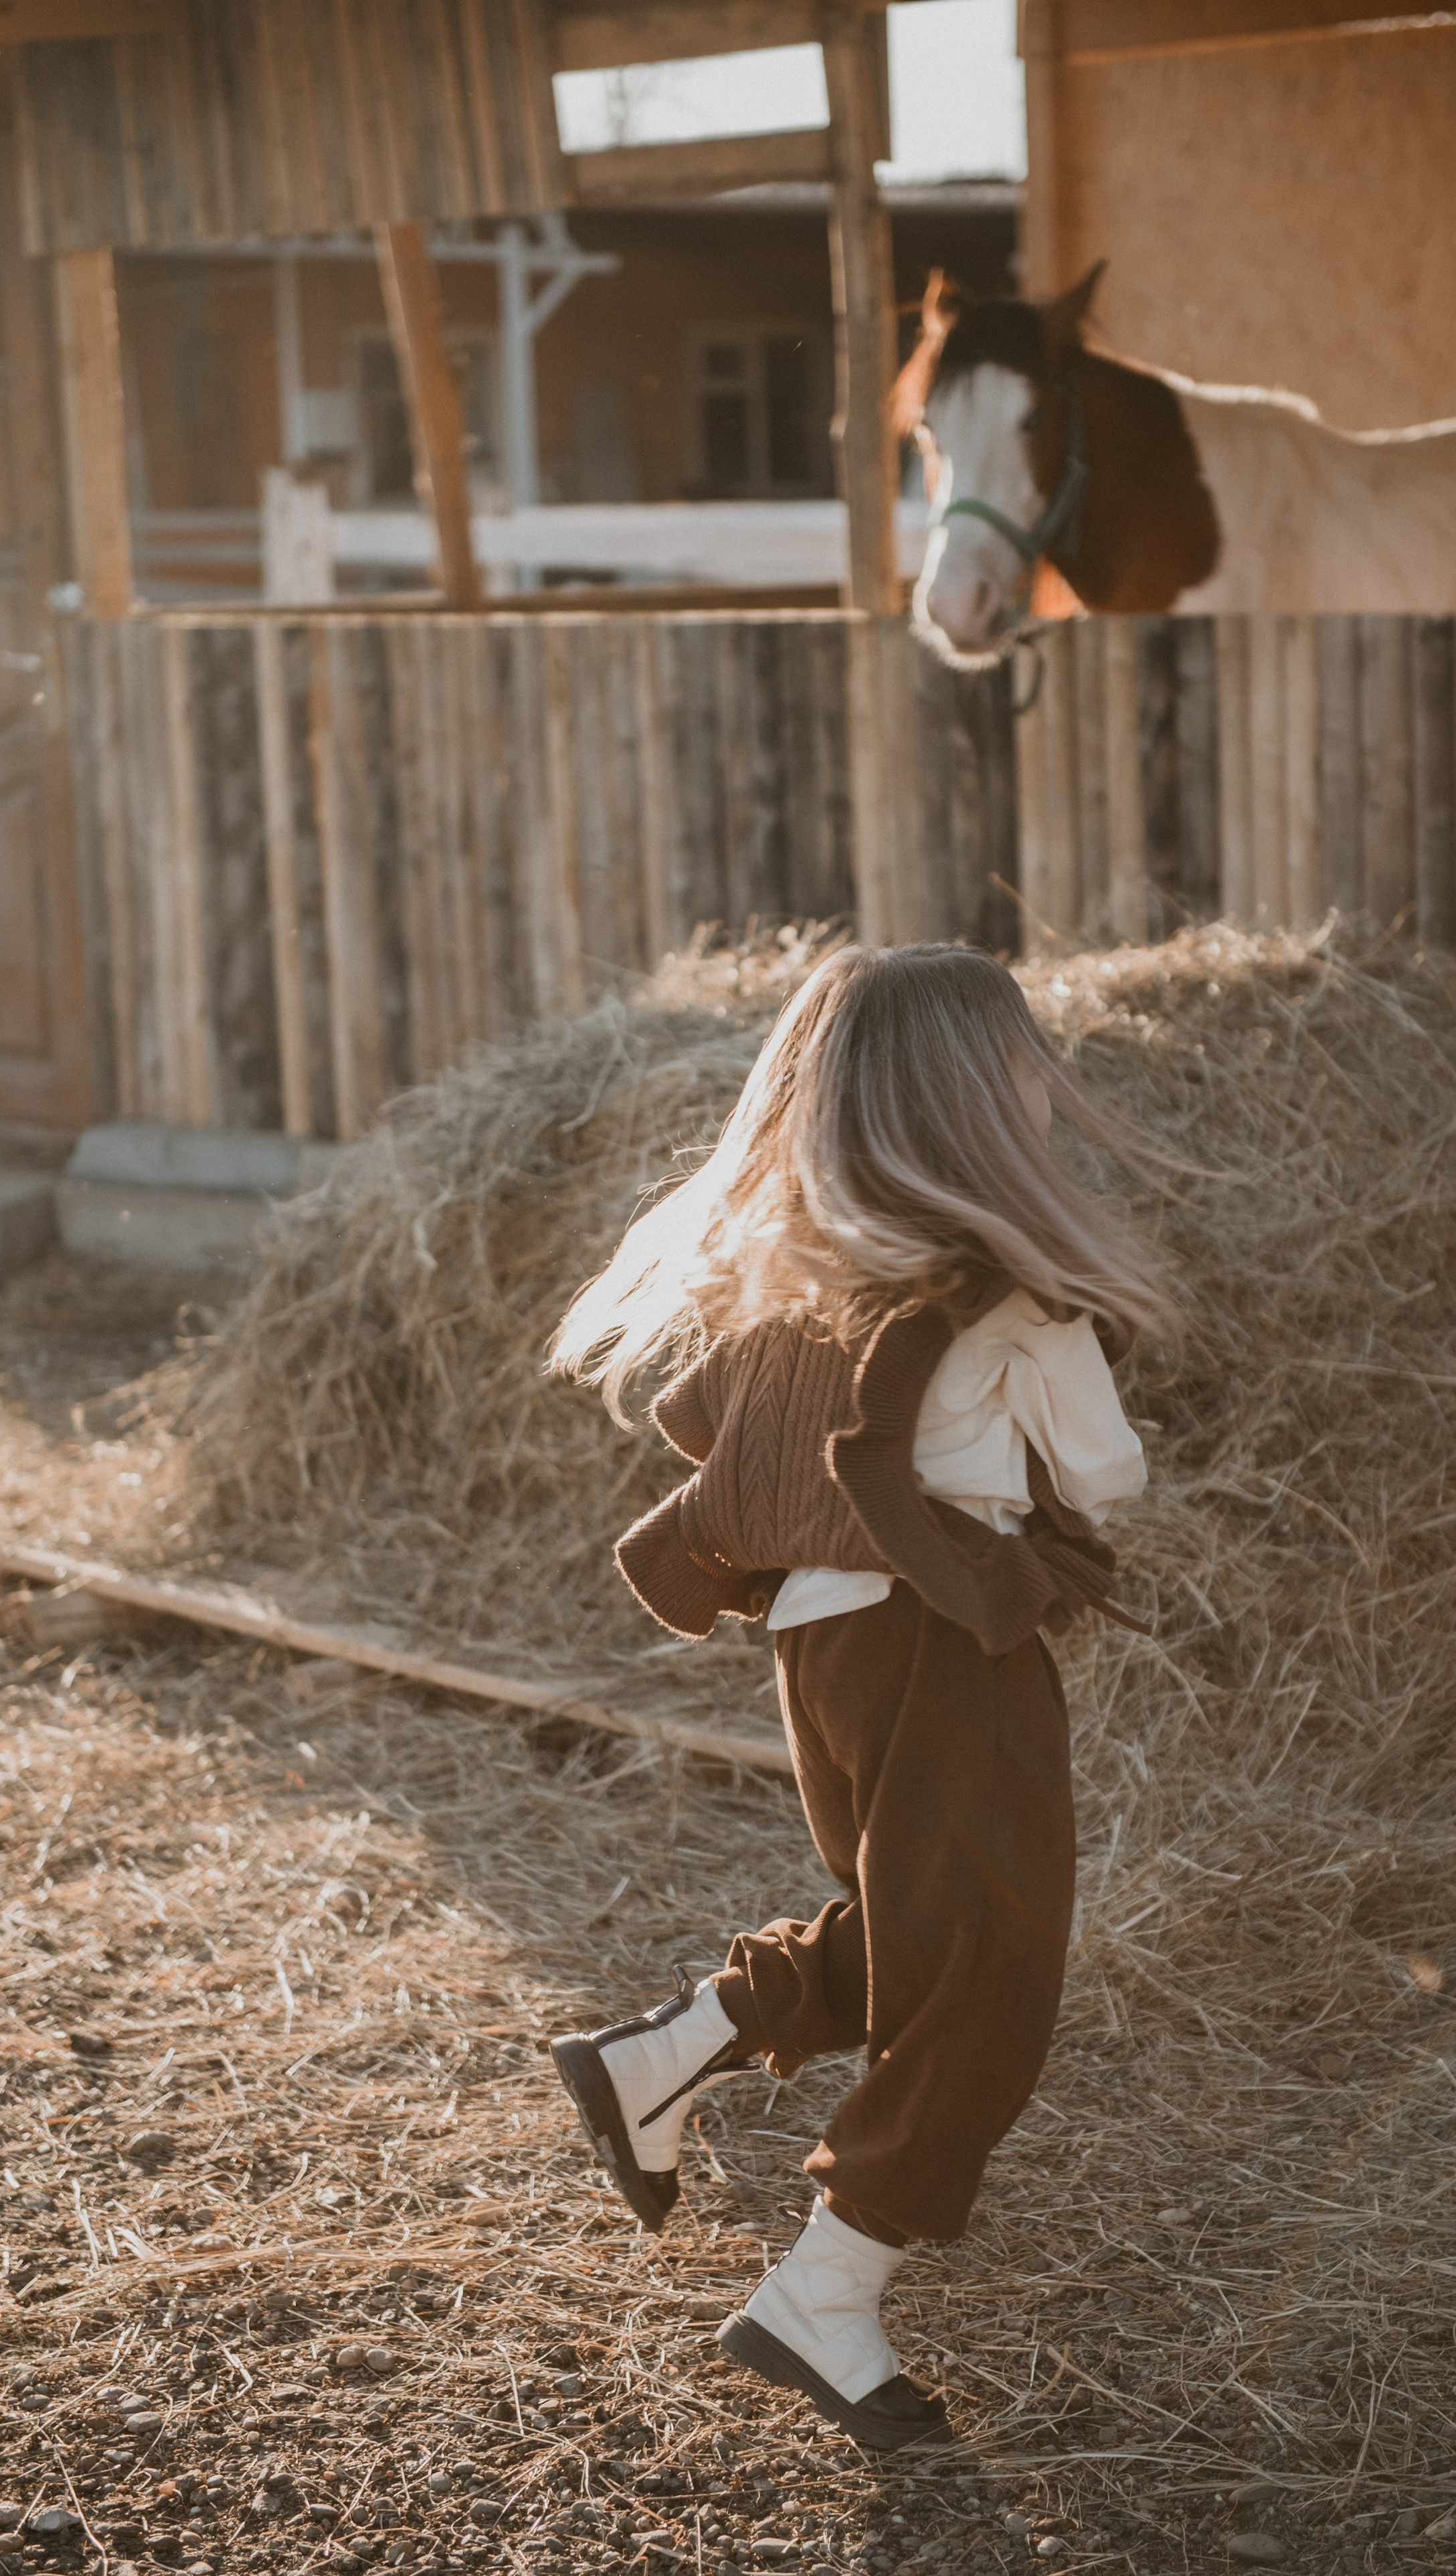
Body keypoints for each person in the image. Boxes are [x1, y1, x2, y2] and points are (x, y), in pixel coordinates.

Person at [548, 943, 1174, 2453]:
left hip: (819, 1651)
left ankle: (668, 2050)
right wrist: (1049, 1407)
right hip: (943, 1649)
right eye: (1020, 1055)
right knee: (989, 1974)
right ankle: (825, 2289)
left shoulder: (805, 1273)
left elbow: (730, 1447)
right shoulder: (1008, 1288)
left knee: (924, 1925)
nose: (1040, 1079)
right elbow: (1109, 1476)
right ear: (976, 1091)